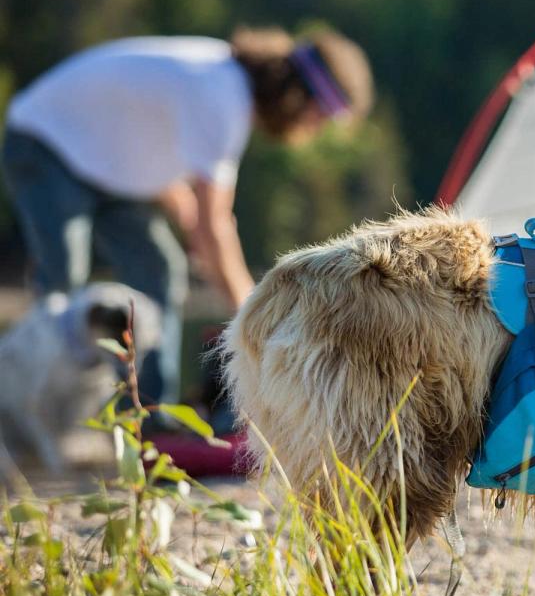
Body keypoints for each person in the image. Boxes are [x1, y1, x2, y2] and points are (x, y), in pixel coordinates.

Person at [1, 27, 374, 410]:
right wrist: (254, 318)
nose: (315, 130)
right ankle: (31, 411)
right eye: (320, 117)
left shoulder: (224, 85)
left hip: (105, 165)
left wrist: (191, 217)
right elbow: (216, 227)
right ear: (297, 96)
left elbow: (136, 133)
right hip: (45, 141)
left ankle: (146, 415)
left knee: (159, 269)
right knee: (63, 280)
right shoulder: (222, 97)